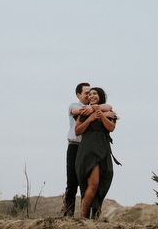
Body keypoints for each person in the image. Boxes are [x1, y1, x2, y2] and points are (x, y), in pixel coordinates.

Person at [64, 83, 114, 217]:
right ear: (79, 95)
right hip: (77, 147)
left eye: (92, 93)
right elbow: (78, 120)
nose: (89, 95)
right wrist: (93, 113)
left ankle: (94, 216)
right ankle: (70, 216)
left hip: (100, 148)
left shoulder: (104, 110)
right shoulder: (79, 108)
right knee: (74, 182)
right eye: (87, 93)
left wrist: (99, 111)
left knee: (99, 182)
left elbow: (109, 112)